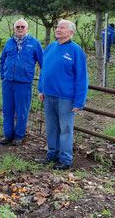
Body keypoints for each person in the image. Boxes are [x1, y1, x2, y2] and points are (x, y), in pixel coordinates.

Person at [37, 19, 88, 170]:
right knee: (51, 127)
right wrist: (41, 89)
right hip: (49, 95)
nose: (58, 30)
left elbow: (81, 78)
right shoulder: (50, 47)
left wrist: (79, 101)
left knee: (65, 128)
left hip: (66, 98)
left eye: (62, 28)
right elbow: (44, 70)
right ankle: (52, 155)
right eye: (58, 27)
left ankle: (65, 160)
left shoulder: (76, 51)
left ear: (70, 32)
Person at [0, 19, 43, 146]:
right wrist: (3, 76)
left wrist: (42, 81)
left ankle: (19, 136)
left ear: (27, 28)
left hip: (24, 83)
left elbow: (43, 63)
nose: (20, 28)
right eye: (17, 26)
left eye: (22, 26)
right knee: (7, 109)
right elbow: (2, 60)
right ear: (14, 29)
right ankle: (8, 134)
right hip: (8, 82)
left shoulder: (34, 43)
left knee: (22, 110)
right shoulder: (9, 43)